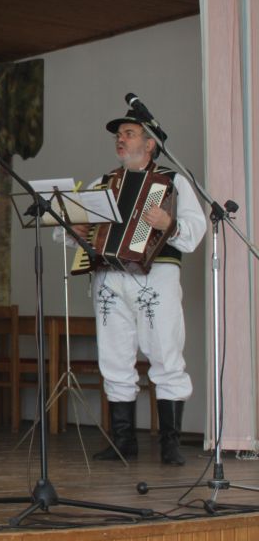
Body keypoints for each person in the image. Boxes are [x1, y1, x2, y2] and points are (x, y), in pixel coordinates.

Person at [60, 110, 204, 466]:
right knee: (113, 357)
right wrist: (75, 231)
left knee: (166, 354)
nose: (120, 140)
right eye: (118, 135)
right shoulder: (104, 181)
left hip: (157, 276)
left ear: (150, 144)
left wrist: (168, 223)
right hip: (109, 278)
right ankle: (123, 441)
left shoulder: (173, 181)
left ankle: (170, 444)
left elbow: (194, 231)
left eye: (128, 133)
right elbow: (77, 231)